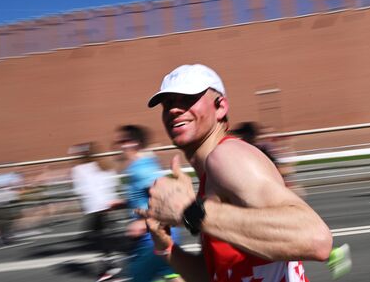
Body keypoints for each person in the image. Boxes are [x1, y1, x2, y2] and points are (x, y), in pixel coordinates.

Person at [139, 64, 333, 282]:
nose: (174, 109)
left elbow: (317, 239)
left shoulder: (226, 157)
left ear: (220, 106)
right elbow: (216, 275)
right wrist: (167, 247)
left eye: (187, 99)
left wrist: (190, 211)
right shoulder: (210, 178)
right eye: (168, 103)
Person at [114, 125, 182, 282]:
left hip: (151, 240)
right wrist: (124, 203)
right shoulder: (143, 165)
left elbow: (166, 196)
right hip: (163, 236)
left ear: (135, 142)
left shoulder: (141, 168)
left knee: (139, 276)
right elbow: (147, 196)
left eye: (124, 141)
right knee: (172, 276)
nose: (120, 146)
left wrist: (142, 224)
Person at [70, 142, 122, 282]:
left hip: (94, 208)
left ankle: (109, 267)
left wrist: (83, 208)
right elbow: (112, 183)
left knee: (95, 237)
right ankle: (109, 264)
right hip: (106, 206)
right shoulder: (103, 165)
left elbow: (80, 191)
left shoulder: (78, 169)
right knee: (103, 237)